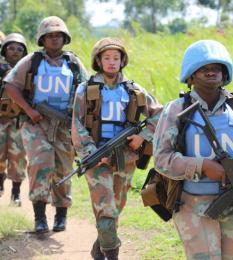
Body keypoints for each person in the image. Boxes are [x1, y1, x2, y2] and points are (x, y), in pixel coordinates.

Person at [153, 40, 233, 259]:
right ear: (191, 75)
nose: (210, 72)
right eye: (203, 68)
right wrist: (202, 166)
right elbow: (161, 159)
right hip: (192, 205)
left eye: (216, 68)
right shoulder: (177, 110)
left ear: (225, 74)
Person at [71, 38, 162, 260]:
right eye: (106, 58)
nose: (112, 63)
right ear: (98, 61)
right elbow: (77, 124)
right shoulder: (85, 89)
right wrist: (92, 154)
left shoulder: (134, 90)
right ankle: (111, 255)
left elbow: (159, 115)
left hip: (125, 157)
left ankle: (100, 245)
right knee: (106, 209)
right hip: (95, 157)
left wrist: (142, 137)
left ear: (122, 61)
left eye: (116, 58)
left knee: (117, 207)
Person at [3, 16, 88, 233]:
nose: (54, 39)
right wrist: (28, 110)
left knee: (63, 168)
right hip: (36, 123)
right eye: (50, 36)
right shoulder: (32, 60)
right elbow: (11, 85)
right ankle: (39, 217)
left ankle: (61, 215)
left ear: (65, 38)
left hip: (63, 125)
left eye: (58, 35)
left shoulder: (73, 63)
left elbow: (87, 91)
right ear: (42, 39)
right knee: (40, 164)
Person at [0, 33, 28, 206]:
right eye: (10, 48)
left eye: (19, 49)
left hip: (19, 120)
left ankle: (16, 193)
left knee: (18, 157)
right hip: (0, 119)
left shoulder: (27, 69)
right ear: (4, 50)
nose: (15, 52)